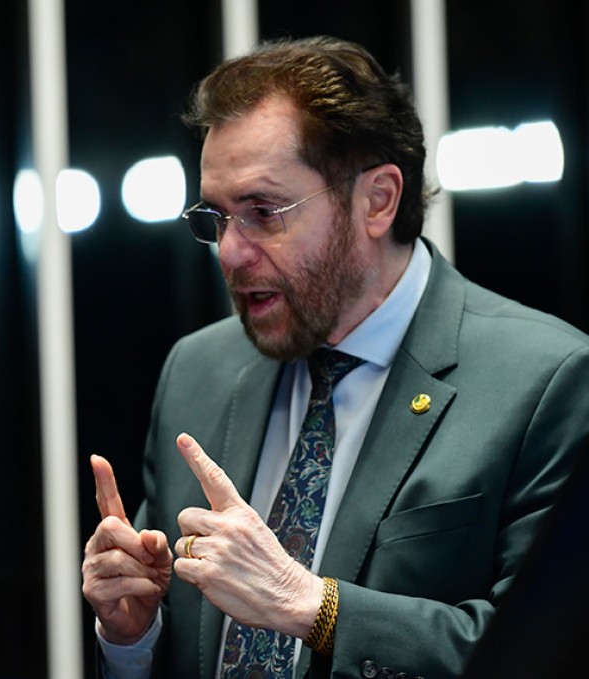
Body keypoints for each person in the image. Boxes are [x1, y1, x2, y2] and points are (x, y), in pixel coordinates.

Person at [81, 35, 589, 679]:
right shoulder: (198, 372)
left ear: (377, 200)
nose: (230, 252)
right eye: (217, 217)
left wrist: (314, 608)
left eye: (263, 212)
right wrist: (132, 636)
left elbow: (546, 653)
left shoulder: (546, 380)